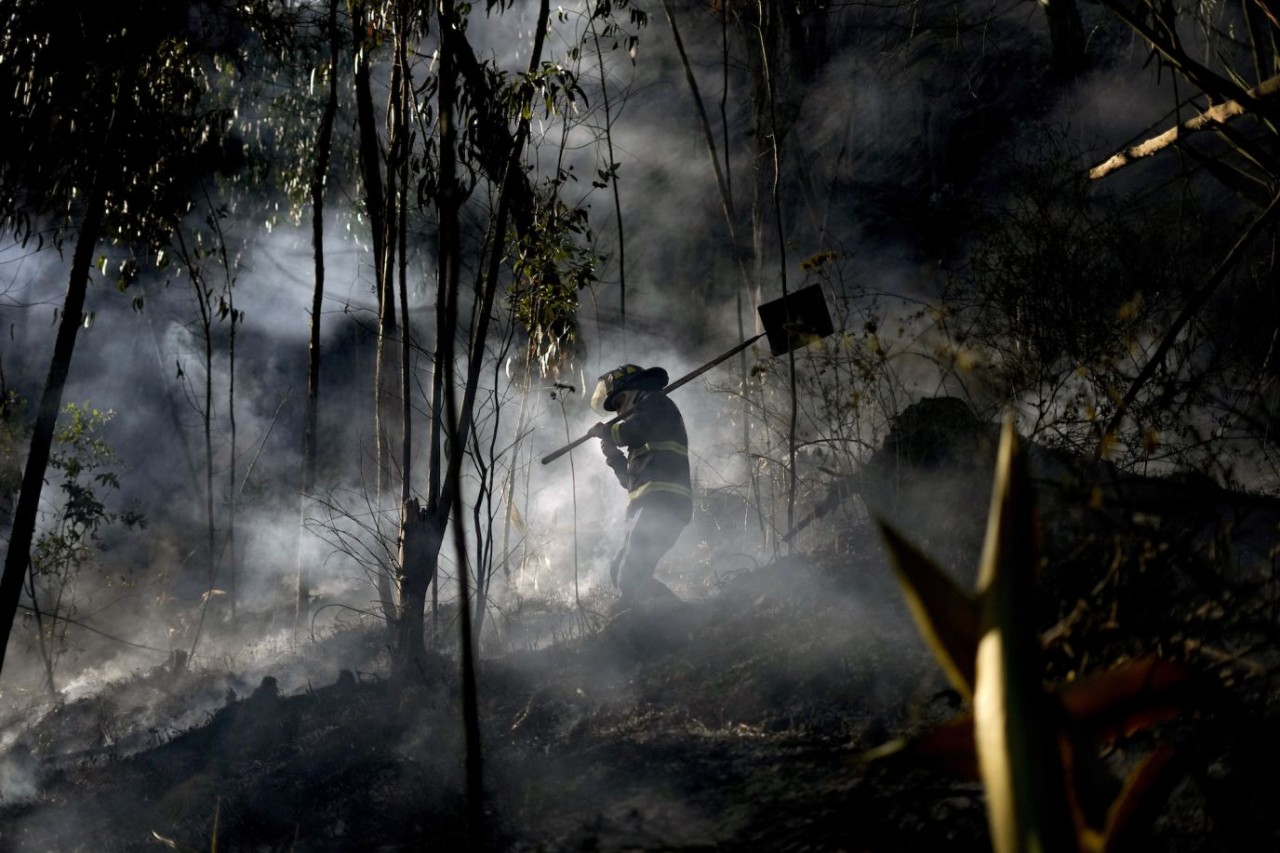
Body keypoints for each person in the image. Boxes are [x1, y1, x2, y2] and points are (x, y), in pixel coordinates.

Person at [588, 364, 692, 609]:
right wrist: (612, 455)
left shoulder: (655, 403)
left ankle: (645, 620)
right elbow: (630, 481)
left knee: (630, 574)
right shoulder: (641, 438)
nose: (620, 411)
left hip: (665, 502)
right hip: (646, 506)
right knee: (620, 572)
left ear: (634, 388)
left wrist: (605, 431)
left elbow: (632, 431)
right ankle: (679, 612)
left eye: (620, 402)